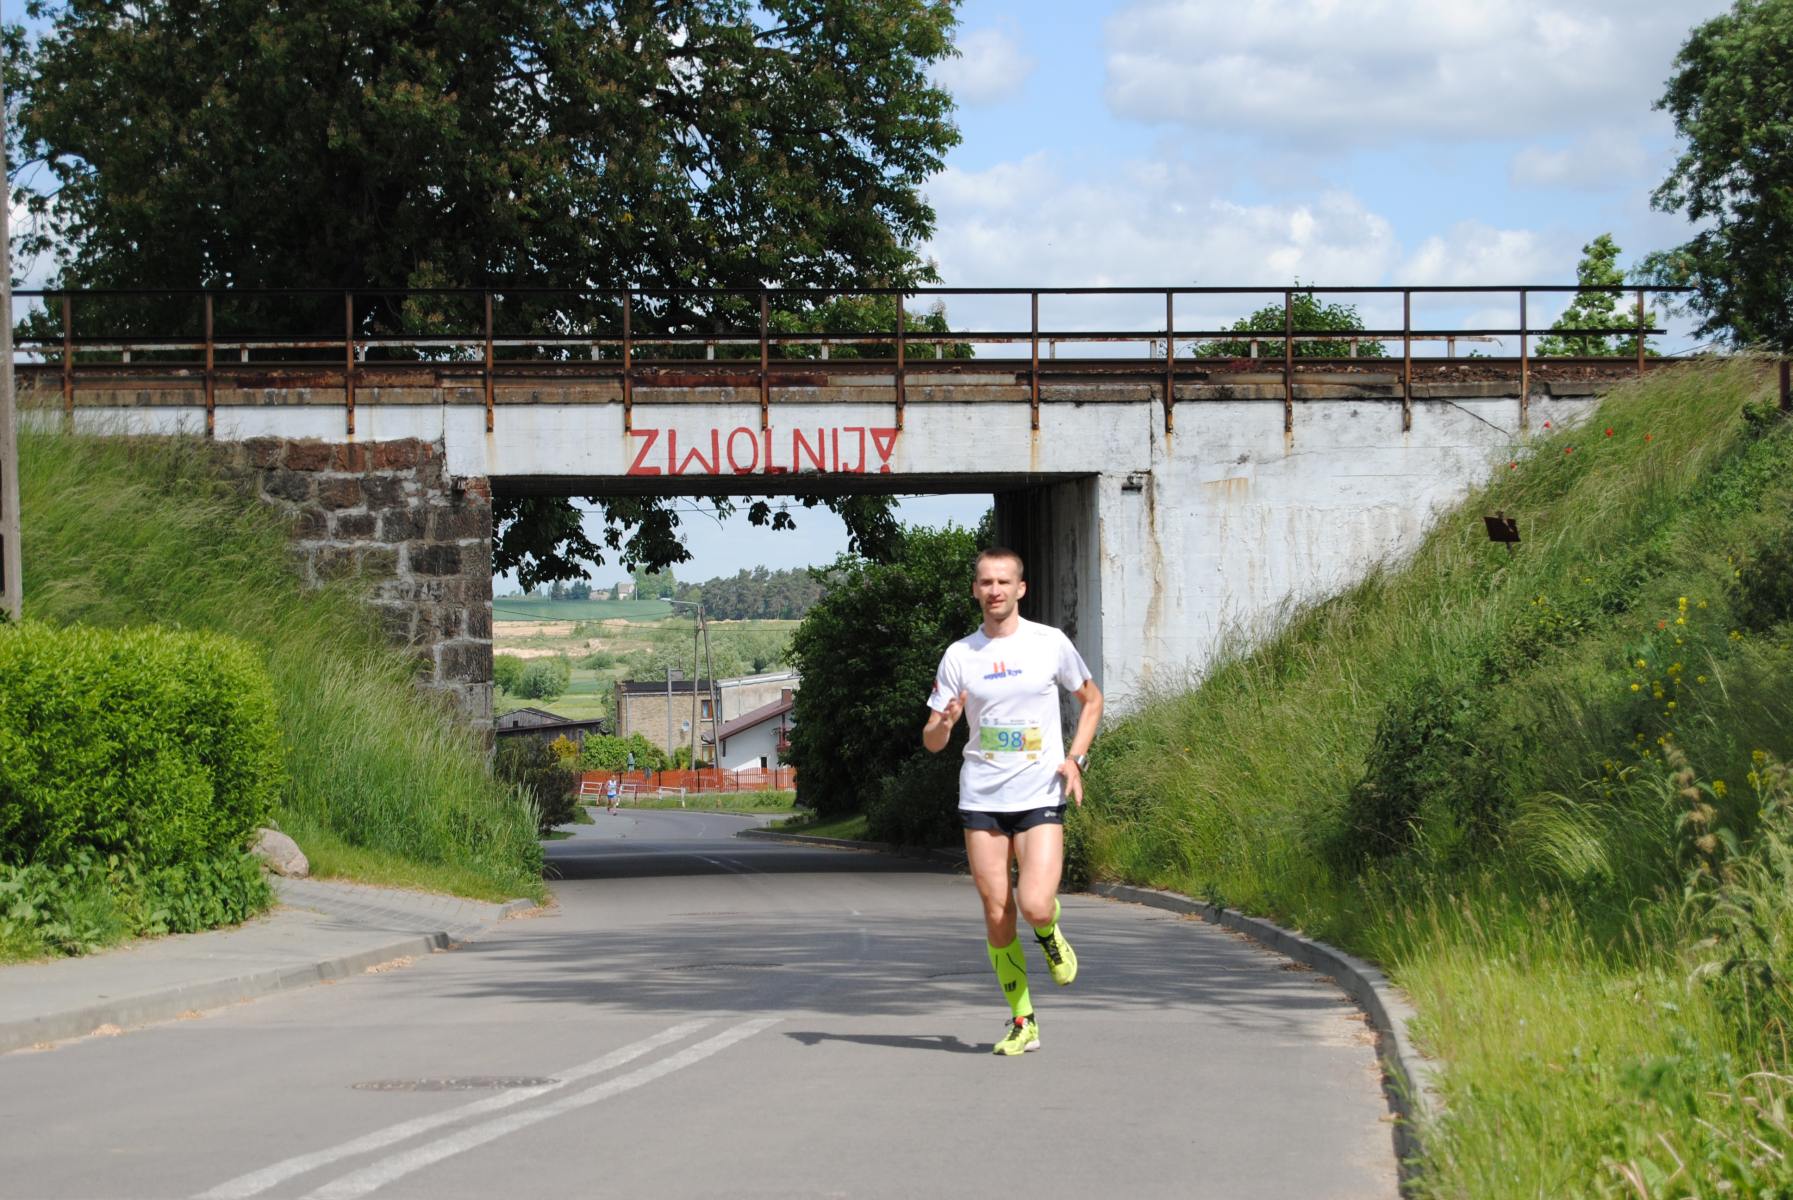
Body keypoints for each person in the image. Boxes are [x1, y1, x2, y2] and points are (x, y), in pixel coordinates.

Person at [922, 546, 1103, 1056]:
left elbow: (1092, 701)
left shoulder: (1050, 643)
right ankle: (1023, 1019)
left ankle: (1049, 930)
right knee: (998, 910)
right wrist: (944, 723)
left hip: (1039, 792)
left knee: (1034, 903)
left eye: (1004, 582)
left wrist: (1076, 759)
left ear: (1021, 588)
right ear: (975, 590)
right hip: (982, 797)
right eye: (986, 582)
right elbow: (932, 740)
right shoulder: (960, 656)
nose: (994, 590)